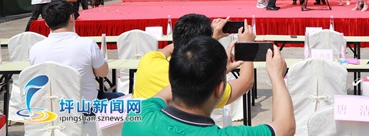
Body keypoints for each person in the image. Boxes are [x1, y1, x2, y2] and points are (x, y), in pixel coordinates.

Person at [123, 37, 295, 136]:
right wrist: (276, 76)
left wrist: (214, 74)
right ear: (219, 89)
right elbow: (286, 127)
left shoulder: (137, 116)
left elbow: (165, 92)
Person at [133, 14, 255, 107]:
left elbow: (170, 48)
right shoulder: (203, 86)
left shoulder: (148, 60)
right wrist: (246, 45)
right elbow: (246, 82)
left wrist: (208, 38)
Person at [29, 0, 121, 101]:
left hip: (50, 106)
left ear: (46, 23)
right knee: (125, 99)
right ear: (71, 17)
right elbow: (103, 73)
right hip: (85, 106)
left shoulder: (35, 49)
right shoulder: (88, 45)